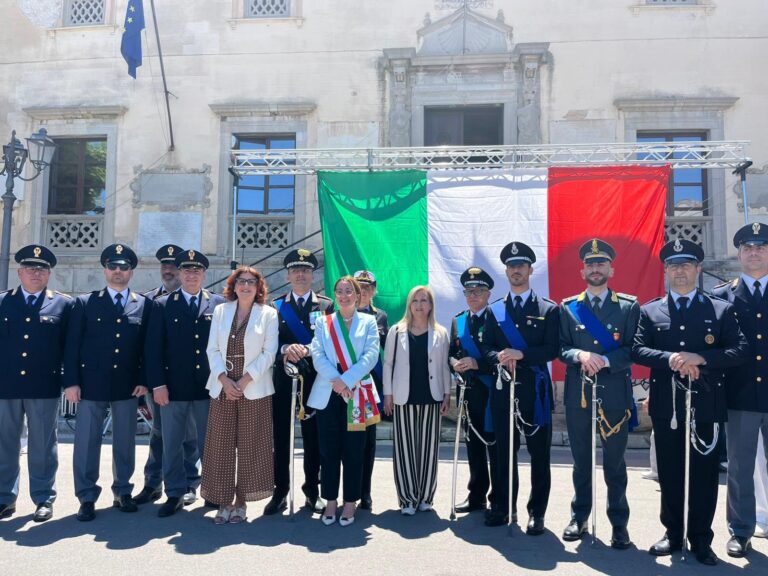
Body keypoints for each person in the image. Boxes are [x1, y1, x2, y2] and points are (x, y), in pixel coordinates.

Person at [632, 238, 748, 566]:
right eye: (673, 265)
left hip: (706, 403)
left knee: (704, 473)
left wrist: (700, 357)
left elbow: (738, 351)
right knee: (669, 472)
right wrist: (672, 358)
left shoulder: (721, 309)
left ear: (698, 269)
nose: (679, 271)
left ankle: (700, 538)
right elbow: (637, 349)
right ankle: (671, 533)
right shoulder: (650, 310)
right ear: (665, 270)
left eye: (685, 265)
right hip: (667, 405)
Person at [558, 239, 639, 549]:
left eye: (600, 263)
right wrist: (580, 355)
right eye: (590, 264)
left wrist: (605, 360)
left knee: (615, 463)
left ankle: (619, 523)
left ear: (611, 269)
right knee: (581, 459)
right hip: (580, 392)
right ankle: (579, 516)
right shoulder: (567, 308)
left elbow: (633, 349)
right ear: (582, 271)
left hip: (615, 393)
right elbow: (562, 348)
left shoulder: (628, 307)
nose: (595, 268)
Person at [63, 243, 151, 521]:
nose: (118, 271)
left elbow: (147, 348)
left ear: (131, 272)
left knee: (125, 441)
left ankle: (122, 491)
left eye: (124, 267)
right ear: (105, 270)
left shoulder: (143, 304)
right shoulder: (85, 302)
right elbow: (72, 345)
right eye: (113, 266)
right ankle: (86, 496)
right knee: (87, 441)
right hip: (91, 384)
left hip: (127, 384)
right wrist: (71, 382)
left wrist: (143, 380)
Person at [481, 242, 559, 534]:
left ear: (530, 270)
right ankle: (502, 506)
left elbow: (553, 348)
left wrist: (521, 354)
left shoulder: (548, 309)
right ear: (507, 271)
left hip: (535, 392)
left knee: (540, 455)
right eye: (512, 266)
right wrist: (499, 357)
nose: (516, 270)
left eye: (521, 266)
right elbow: (486, 346)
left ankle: (536, 512)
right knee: (503, 452)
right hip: (504, 389)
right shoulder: (495, 309)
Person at [145, 249, 225, 517]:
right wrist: (157, 385)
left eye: (197, 271)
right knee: (172, 443)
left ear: (204, 274)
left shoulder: (218, 304)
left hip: (207, 387)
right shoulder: (162, 304)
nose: (192, 275)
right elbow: (153, 349)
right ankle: (175, 493)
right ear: (179, 274)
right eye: (187, 270)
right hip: (173, 388)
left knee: (210, 442)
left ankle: (212, 491)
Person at [202, 266, 278, 524]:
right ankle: (223, 502)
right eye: (241, 282)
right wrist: (224, 380)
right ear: (233, 286)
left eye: (251, 282)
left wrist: (244, 381)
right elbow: (212, 349)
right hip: (223, 388)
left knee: (250, 446)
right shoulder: (221, 311)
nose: (246, 286)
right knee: (220, 446)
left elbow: (269, 353)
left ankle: (242, 502)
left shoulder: (268, 314)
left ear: (258, 289)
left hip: (253, 388)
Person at [0, 245, 71, 522]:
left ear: (49, 274)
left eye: (41, 269)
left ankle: (43, 497)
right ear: (19, 272)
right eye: (30, 268)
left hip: (44, 386)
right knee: (5, 443)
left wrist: (69, 382)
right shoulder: (3, 302)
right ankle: (5, 497)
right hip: (6, 387)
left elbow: (69, 348)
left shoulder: (63, 304)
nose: (35, 273)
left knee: (43, 444)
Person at [712, 222, 768, 557]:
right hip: (741, 394)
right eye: (748, 247)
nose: (755, 252)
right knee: (739, 466)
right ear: (739, 254)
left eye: (761, 246)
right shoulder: (723, 295)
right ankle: (741, 529)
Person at [265, 248, 334, 516]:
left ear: (312, 274)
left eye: (305, 270)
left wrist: (306, 349)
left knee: (313, 438)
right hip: (283, 380)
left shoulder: (326, 306)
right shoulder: (276, 306)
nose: (301, 274)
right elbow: (269, 342)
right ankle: (280, 491)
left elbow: (330, 341)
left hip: (315, 380)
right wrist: (286, 349)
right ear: (288, 275)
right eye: (296, 270)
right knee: (281, 437)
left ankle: (312, 492)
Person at [310, 276, 380, 526]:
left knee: (354, 450)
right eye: (339, 291)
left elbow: (371, 355)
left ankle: (350, 502)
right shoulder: (323, 322)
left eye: (349, 291)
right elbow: (317, 354)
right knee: (328, 450)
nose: (344, 295)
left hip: (357, 393)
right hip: (329, 393)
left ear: (358, 294)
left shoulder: (369, 322)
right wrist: (337, 381)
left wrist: (347, 380)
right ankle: (330, 501)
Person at [135, 244, 201, 506]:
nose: (168, 270)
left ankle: (188, 481)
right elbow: (145, 345)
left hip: (189, 383)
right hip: (158, 382)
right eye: (164, 266)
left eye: (173, 266)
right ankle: (153, 483)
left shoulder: (204, 300)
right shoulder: (151, 300)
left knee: (189, 434)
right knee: (160, 433)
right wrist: (146, 380)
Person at [383, 285, 451, 515]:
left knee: (429, 450)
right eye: (415, 300)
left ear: (431, 305)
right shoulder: (397, 330)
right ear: (409, 305)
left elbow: (443, 367)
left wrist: (447, 394)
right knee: (405, 450)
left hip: (432, 396)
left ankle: (425, 497)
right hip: (404, 397)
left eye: (424, 300)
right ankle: (407, 499)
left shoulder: (440, 333)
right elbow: (388, 364)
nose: (420, 305)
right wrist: (388, 394)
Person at [449, 267, 498, 514]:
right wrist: (454, 364)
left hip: (493, 392)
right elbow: (450, 353)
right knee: (474, 446)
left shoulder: (498, 319)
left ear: (488, 293)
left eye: (479, 291)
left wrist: (478, 363)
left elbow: (502, 355)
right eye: (469, 291)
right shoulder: (458, 321)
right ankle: (476, 495)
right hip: (468, 393)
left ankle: (498, 498)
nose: (473, 295)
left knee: (495, 447)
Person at [354, 269, 389, 510]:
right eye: (360, 286)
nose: (364, 291)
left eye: (368, 287)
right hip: (346, 384)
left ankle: (365, 491)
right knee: (346, 440)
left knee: (368, 441)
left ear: (374, 290)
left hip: (369, 385)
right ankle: (348, 489)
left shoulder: (381, 316)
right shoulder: (341, 314)